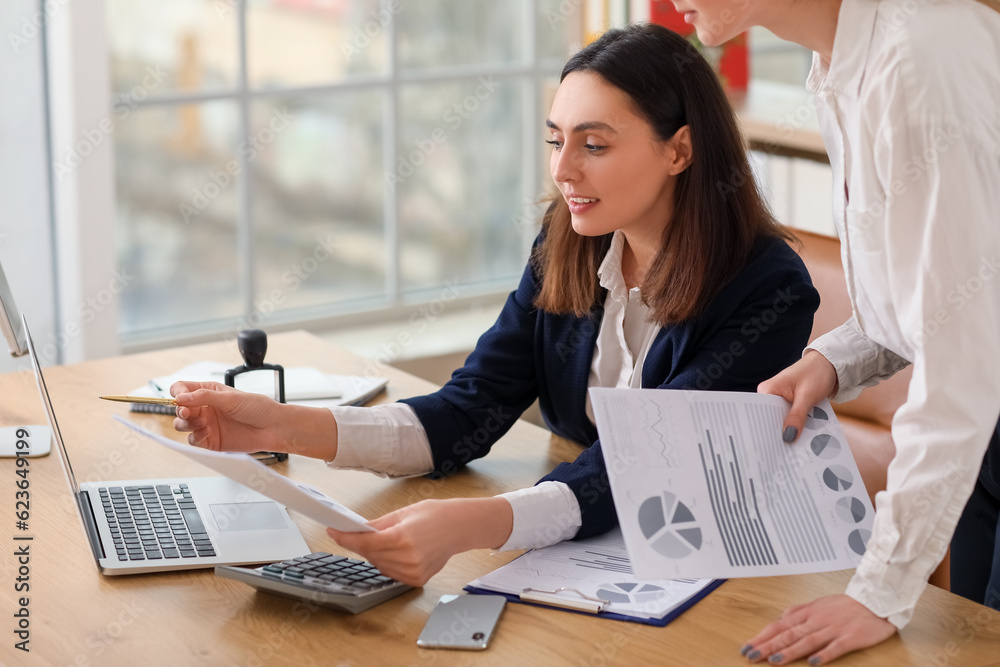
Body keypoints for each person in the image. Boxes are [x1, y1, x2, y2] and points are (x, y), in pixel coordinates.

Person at [172, 24, 818, 596]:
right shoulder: (568, 240)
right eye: (555, 139)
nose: (563, 170)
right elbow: (468, 411)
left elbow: (656, 466)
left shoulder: (765, 287)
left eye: (594, 145)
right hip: (593, 545)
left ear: (679, 150)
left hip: (724, 568)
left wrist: (479, 522)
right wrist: (284, 428)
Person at [669, 0, 1000, 664]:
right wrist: (834, 360)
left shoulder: (917, 62)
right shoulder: (842, 60)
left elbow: (963, 352)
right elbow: (934, 290)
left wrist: (878, 589)